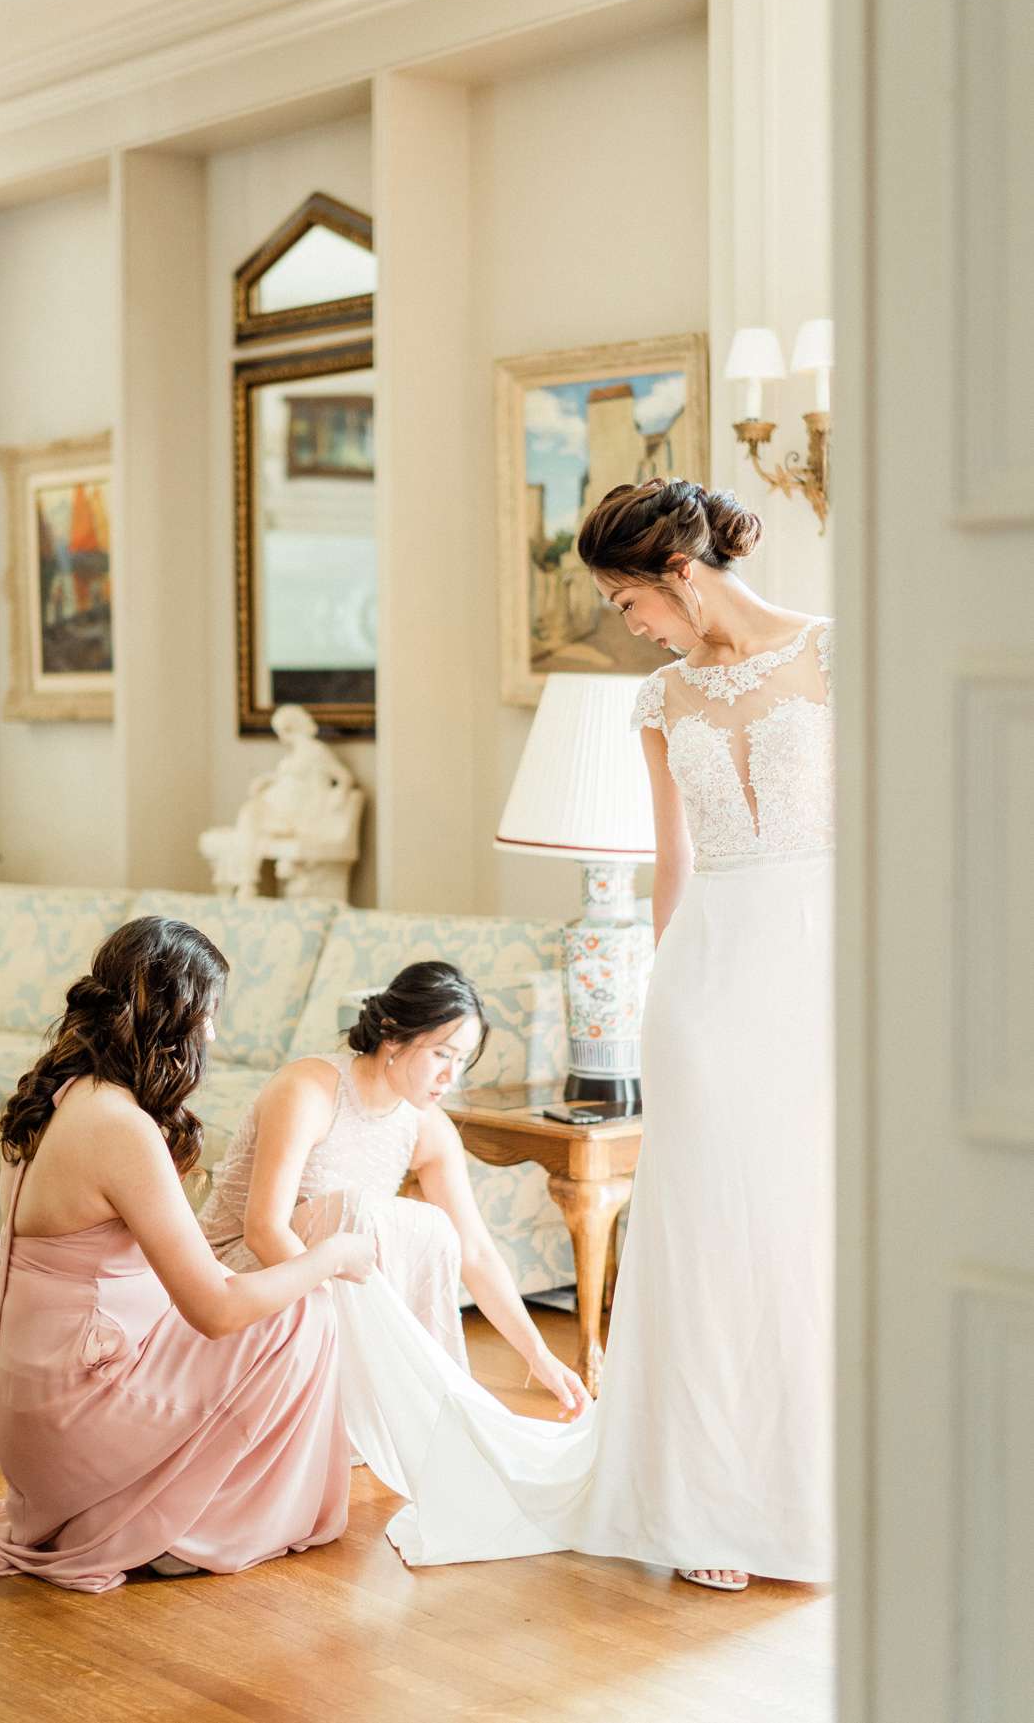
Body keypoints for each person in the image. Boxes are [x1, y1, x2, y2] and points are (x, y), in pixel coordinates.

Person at [372, 479, 833, 1593]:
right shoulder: (661, 699)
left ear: (679, 571)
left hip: (821, 968)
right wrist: (659, 996)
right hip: (705, 985)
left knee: (809, 1227)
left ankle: (821, 1487)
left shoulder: (836, 653)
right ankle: (707, 1501)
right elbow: (672, 864)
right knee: (708, 1236)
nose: (630, 628)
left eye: (629, 603)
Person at [0, 916, 373, 1594]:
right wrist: (333, 1254)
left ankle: (150, 1510)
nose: (214, 1035)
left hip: (30, 1411)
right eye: (210, 1015)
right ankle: (185, 1529)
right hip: (69, 1417)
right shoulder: (118, 1126)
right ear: (176, 1017)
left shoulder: (62, 1094)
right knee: (301, 1313)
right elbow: (216, 1311)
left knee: (273, 1296)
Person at [199, 960, 590, 1450]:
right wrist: (357, 1323)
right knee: (353, 1213)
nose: (450, 1077)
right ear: (392, 1033)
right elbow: (263, 1229)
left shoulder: (427, 1126)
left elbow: (475, 1252)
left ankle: (407, 1417)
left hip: (326, 1284)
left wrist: (539, 1356)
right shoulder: (308, 1090)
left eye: (462, 1060)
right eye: (441, 1053)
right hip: (238, 1275)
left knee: (432, 1226)